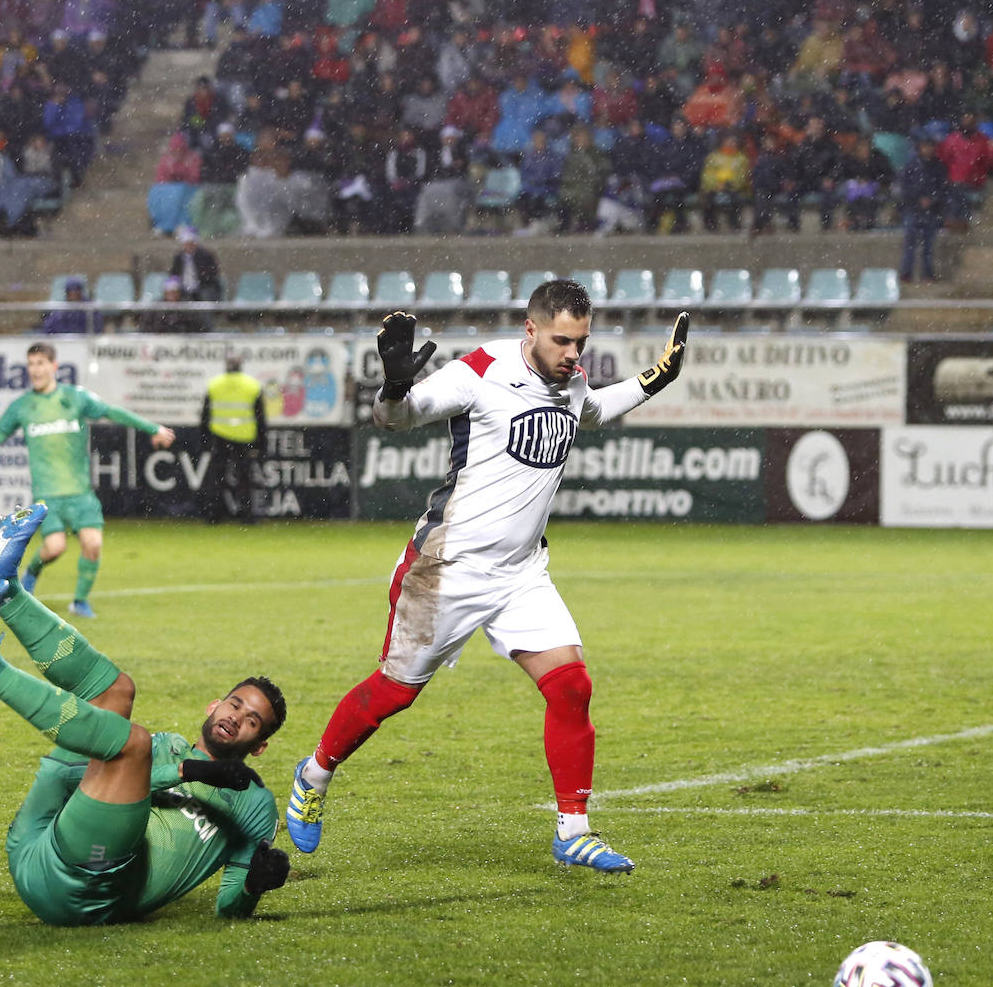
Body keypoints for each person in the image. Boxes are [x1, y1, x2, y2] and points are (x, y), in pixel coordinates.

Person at [283, 280, 691, 875]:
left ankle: (573, 831)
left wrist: (655, 380)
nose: (574, 354)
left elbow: (594, 409)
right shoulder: (480, 370)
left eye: (580, 342)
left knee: (571, 686)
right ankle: (313, 774)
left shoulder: (572, 378)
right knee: (394, 692)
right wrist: (394, 385)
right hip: (446, 568)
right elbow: (396, 418)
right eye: (561, 341)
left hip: (521, 572)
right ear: (530, 330)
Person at [0, 503, 290, 926]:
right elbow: (97, 776)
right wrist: (192, 770)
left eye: (252, 720)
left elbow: (228, 905)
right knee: (116, 690)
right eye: (235, 704)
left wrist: (254, 886)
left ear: (260, 745)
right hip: (38, 840)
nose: (236, 717)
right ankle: (0, 588)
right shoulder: (168, 747)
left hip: (86, 889)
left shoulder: (255, 805)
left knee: (129, 743)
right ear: (214, 705)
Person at [0, 341, 176, 618]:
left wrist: (153, 428)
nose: (35, 370)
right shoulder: (22, 406)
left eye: (41, 363)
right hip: (47, 494)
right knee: (54, 548)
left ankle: (79, 602)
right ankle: (31, 573)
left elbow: (112, 411)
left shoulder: (75, 397)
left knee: (93, 543)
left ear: (54, 366)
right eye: (31, 364)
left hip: (80, 492)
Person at [199, 352, 266, 523]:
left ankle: (214, 514)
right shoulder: (252, 385)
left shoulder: (214, 384)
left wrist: (205, 436)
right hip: (244, 437)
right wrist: (261, 440)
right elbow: (260, 416)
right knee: (244, 478)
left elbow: (205, 414)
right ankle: (247, 515)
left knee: (216, 477)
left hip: (220, 435)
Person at [897, 135, 949, 284]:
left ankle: (927, 273)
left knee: (928, 246)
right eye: (925, 146)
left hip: (931, 212)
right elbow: (905, 188)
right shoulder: (911, 166)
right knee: (910, 244)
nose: (928, 149)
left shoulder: (939, 167)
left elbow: (943, 189)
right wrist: (918, 199)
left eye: (930, 146)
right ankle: (906, 273)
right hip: (913, 210)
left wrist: (932, 200)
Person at [168, 225, 223, 302]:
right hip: (185, 289)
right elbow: (174, 273)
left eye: (191, 243)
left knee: (206, 296)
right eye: (186, 243)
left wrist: (198, 283)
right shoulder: (179, 257)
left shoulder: (205, 255)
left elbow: (212, 274)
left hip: (203, 288)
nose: (189, 246)